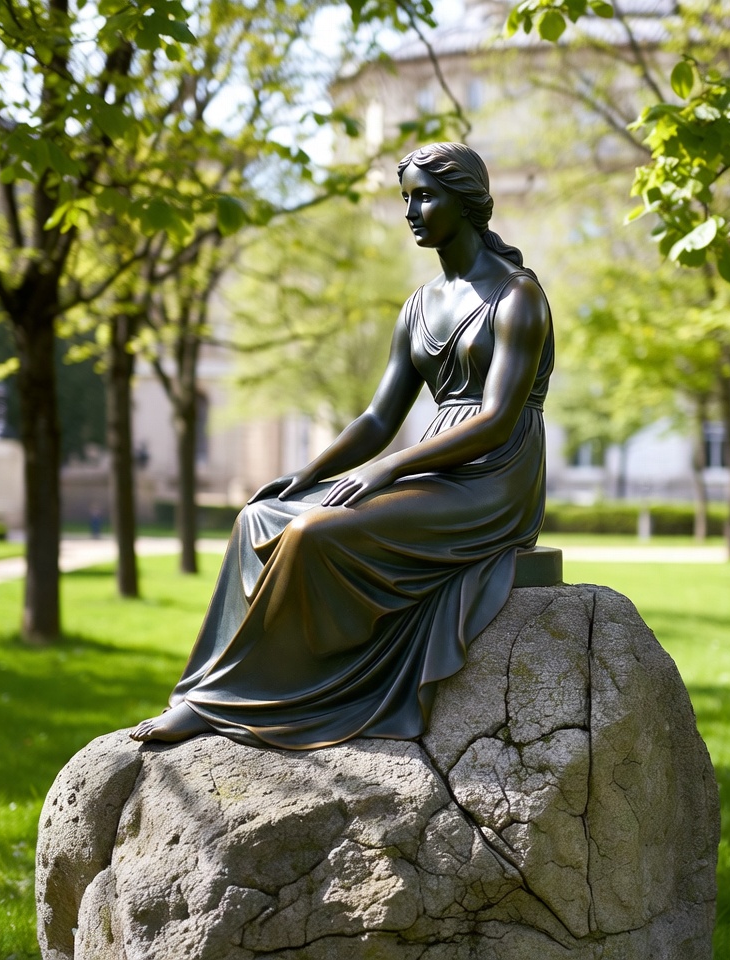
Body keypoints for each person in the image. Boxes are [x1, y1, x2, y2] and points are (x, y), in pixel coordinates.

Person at [131, 142, 554, 748]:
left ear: (466, 202)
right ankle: (209, 688)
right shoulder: (419, 307)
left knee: (309, 535)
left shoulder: (518, 298)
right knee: (262, 517)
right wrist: (305, 476)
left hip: (493, 480)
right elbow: (379, 417)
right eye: (405, 197)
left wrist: (384, 473)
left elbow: (495, 420)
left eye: (425, 197)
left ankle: (229, 703)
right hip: (431, 468)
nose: (411, 211)